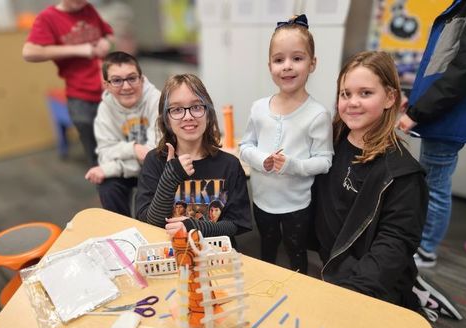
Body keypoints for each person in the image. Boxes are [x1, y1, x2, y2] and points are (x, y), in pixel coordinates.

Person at [312, 51, 428, 311]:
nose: (352, 102)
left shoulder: (403, 174)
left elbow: (393, 247)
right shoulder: (329, 142)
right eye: (345, 94)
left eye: (365, 93)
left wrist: (351, 294)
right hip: (332, 269)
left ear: (390, 98)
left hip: (368, 287)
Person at [239, 15, 331, 274]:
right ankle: (265, 278)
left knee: (296, 250)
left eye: (297, 58)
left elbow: (325, 161)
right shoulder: (258, 108)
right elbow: (245, 145)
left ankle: (298, 287)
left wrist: (292, 165)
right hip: (262, 199)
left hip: (297, 203)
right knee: (267, 245)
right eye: (279, 60)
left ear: (312, 64)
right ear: (269, 65)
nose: (287, 66)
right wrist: (261, 159)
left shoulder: (318, 114)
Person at [398, 0, 466, 272]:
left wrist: (418, 112)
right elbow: (439, 65)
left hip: (445, 115)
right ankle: (422, 243)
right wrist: (413, 102)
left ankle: (426, 250)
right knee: (432, 184)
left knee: (434, 187)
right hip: (440, 111)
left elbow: (462, 71)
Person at [135, 73, 252, 243]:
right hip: (168, 250)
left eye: (196, 107)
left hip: (215, 253)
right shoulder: (154, 161)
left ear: (208, 113)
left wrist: (194, 227)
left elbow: (236, 223)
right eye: (177, 109)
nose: (188, 116)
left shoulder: (230, 164)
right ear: (166, 119)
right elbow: (149, 222)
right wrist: (170, 177)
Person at [22, 0, 114, 167]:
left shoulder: (88, 9)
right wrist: (79, 49)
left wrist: (106, 42)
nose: (82, 3)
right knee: (99, 157)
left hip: (108, 91)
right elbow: (29, 52)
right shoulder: (48, 18)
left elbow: (107, 34)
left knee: (121, 147)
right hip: (81, 97)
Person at [84, 51, 160, 215]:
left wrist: (110, 168)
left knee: (147, 197)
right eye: (117, 81)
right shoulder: (105, 110)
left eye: (132, 78)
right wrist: (134, 149)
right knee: (107, 187)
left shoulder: (157, 101)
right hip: (127, 168)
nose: (126, 86)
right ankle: (123, 232)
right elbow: (105, 153)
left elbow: (154, 157)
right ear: (107, 85)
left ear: (141, 78)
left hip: (157, 171)